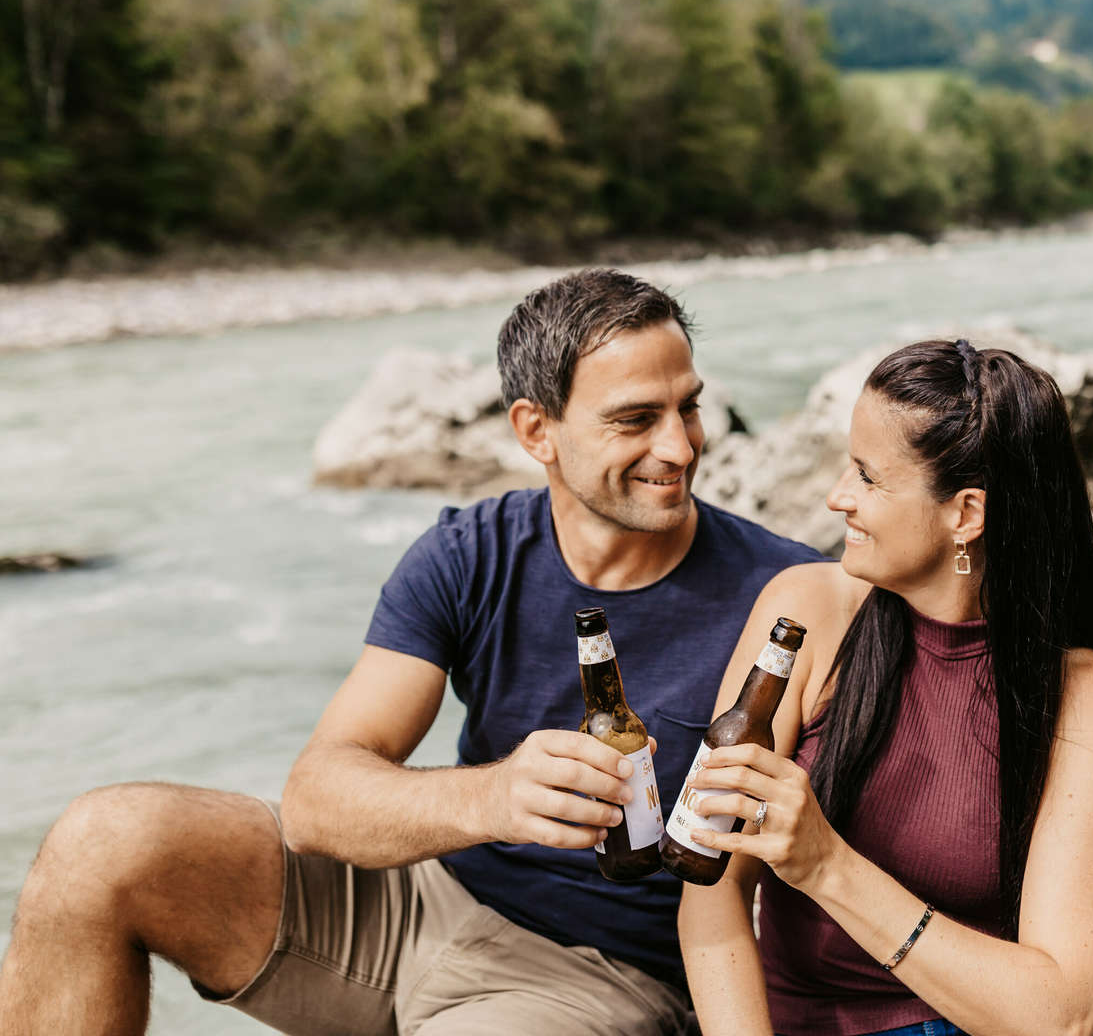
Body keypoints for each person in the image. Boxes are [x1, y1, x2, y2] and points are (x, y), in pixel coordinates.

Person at [0, 268, 820, 1035]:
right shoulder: (471, 552)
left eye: (690, 407)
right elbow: (318, 800)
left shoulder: (789, 596)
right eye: (637, 419)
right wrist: (494, 799)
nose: (680, 448)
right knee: (100, 842)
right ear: (537, 429)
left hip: (598, 977)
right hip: (417, 901)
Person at [676, 340, 1093, 1036]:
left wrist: (828, 864)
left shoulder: (1085, 697)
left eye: (868, 477)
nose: (838, 497)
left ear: (966, 515)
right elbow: (708, 901)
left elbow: (1063, 1017)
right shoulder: (804, 616)